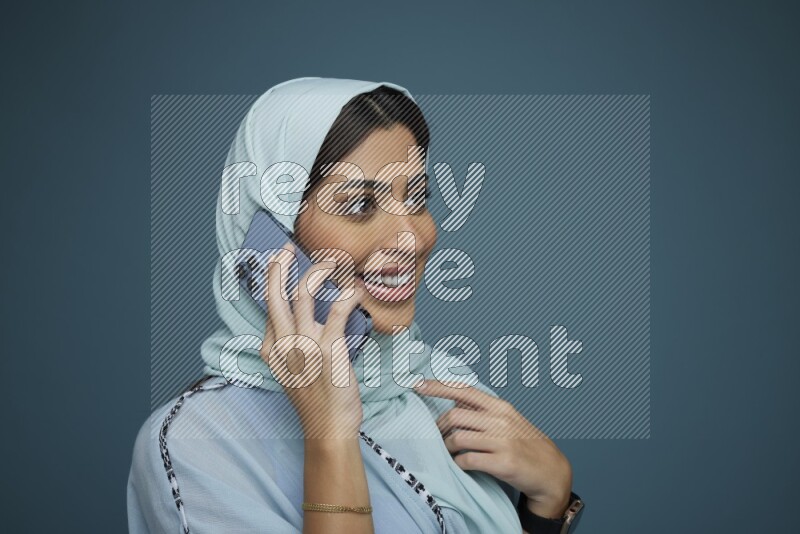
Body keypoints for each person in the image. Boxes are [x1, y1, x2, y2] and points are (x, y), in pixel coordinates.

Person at [127, 77, 582, 533]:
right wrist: (329, 436)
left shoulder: (440, 390)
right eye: (361, 205)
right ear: (270, 235)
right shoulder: (195, 446)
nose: (412, 237)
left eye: (417, 197)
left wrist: (547, 505)